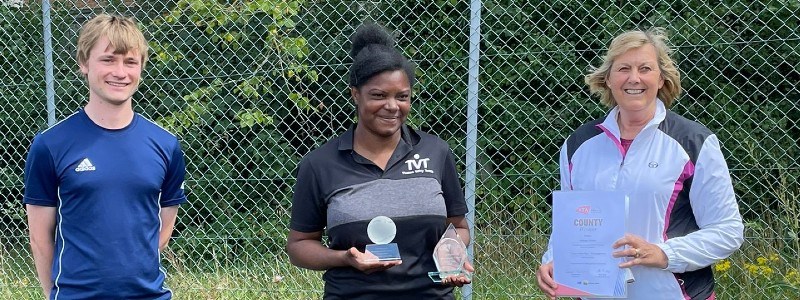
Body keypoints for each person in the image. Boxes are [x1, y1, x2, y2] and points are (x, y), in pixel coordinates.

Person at [536, 28, 744, 300]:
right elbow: (569, 225)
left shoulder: (694, 142)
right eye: (623, 68)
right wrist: (553, 260)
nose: (634, 78)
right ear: (608, 79)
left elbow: (728, 230)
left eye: (645, 68)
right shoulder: (578, 144)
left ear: (661, 78)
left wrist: (663, 254)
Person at [286, 23, 474, 299]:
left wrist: (452, 252)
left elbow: (458, 226)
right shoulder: (319, 164)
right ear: (355, 94)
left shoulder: (436, 151)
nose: (392, 106)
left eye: (402, 97)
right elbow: (299, 246)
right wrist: (344, 258)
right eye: (378, 95)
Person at [23, 14, 187, 299]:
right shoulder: (50, 145)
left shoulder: (166, 144)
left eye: (130, 62)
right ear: (84, 64)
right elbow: (39, 238)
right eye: (108, 60)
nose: (120, 72)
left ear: (141, 68)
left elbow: (163, 229)